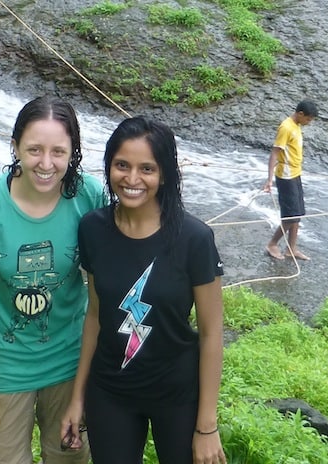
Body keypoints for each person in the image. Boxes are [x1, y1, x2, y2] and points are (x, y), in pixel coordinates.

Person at [61, 116, 226, 464]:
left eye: (147, 169)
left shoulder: (194, 239)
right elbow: (95, 315)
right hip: (110, 393)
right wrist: (77, 399)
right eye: (122, 165)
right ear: (109, 167)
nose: (132, 179)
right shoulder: (93, 229)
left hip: (177, 394)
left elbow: (212, 335)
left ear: (164, 174)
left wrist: (207, 426)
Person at [0, 95, 105, 464]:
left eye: (59, 151)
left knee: (70, 457)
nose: (46, 164)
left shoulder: (89, 197)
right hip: (4, 364)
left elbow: (102, 285)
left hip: (70, 361)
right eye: (34, 149)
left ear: (74, 151)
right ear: (15, 145)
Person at [263, 99, 318, 261]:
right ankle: (272, 244)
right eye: (308, 119)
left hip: (295, 174)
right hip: (286, 176)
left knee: (298, 213)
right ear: (300, 114)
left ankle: (291, 249)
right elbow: (275, 153)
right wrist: (269, 179)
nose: (309, 122)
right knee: (290, 216)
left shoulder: (297, 126)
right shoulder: (286, 127)